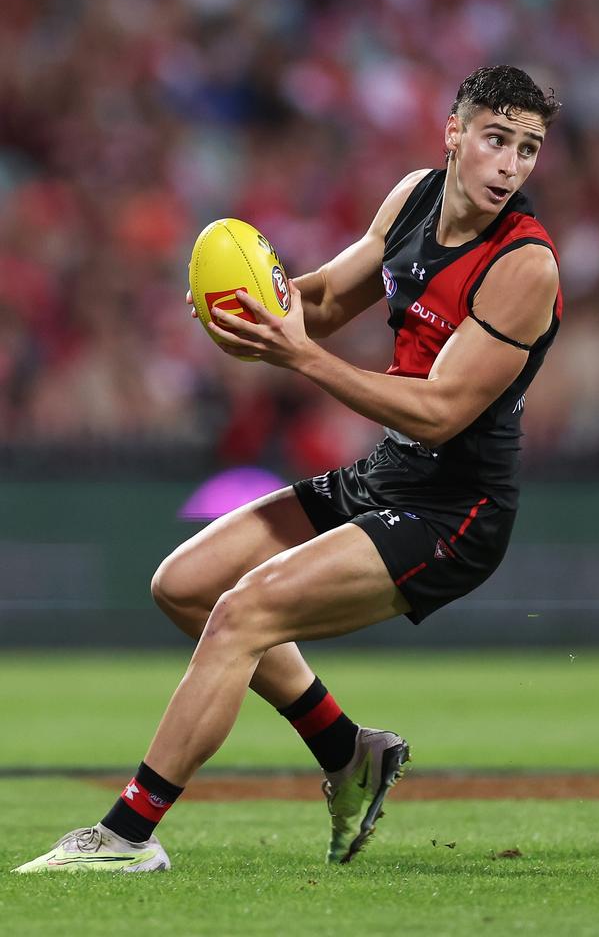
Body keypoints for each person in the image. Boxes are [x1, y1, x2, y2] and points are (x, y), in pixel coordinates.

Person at [15, 65, 562, 873]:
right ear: (454, 133)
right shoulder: (413, 197)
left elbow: (441, 411)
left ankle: (127, 837)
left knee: (241, 616)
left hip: (455, 511)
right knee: (185, 586)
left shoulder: (525, 265)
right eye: (496, 139)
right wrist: (253, 305)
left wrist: (300, 355)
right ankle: (348, 753)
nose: (511, 165)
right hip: (387, 478)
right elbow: (328, 298)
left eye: (528, 148)